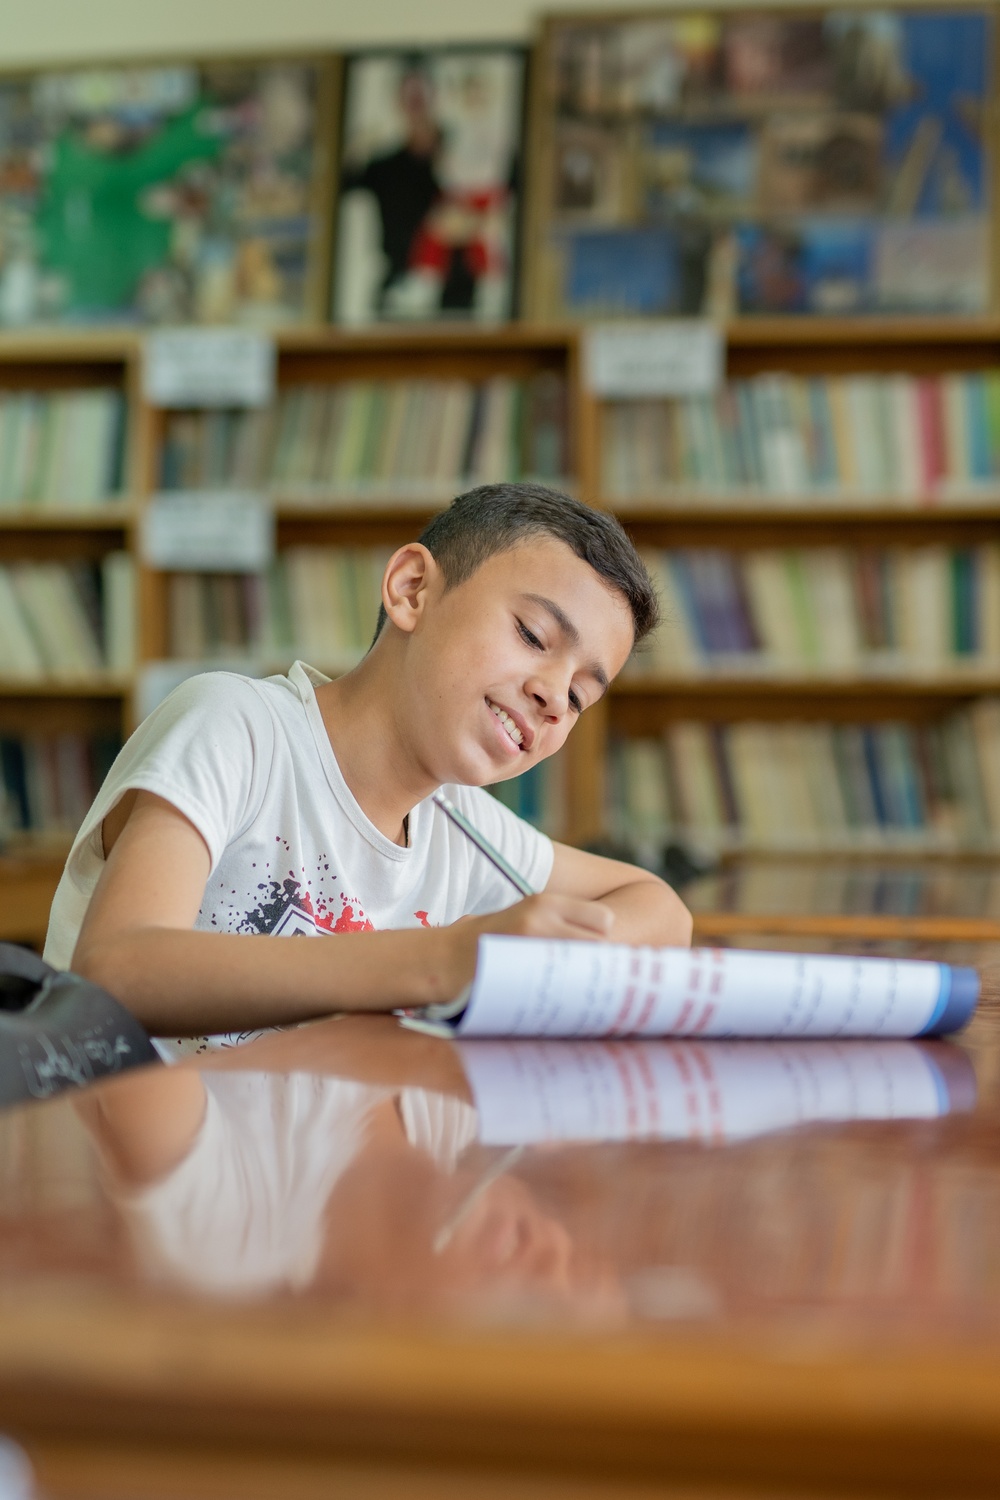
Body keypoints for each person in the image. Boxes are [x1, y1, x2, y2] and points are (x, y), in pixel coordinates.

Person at [47, 482, 692, 1055]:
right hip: (116, 1178)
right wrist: (441, 960)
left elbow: (661, 909)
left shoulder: (461, 829)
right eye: (531, 636)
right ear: (412, 590)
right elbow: (117, 970)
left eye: (580, 696)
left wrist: (568, 960)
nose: (555, 698)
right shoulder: (238, 727)